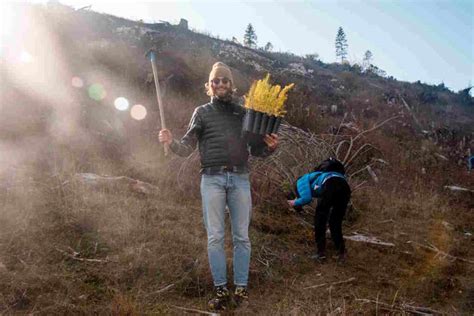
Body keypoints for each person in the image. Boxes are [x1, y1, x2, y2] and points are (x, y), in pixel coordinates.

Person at [159, 62, 279, 311]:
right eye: (216, 81)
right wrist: (171, 142)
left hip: (239, 178)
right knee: (215, 237)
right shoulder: (201, 112)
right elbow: (187, 146)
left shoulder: (244, 113)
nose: (221, 84)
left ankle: (242, 291)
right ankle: (221, 290)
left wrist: (269, 146)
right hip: (211, 179)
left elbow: (255, 150)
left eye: (225, 80)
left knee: (242, 237)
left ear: (231, 85)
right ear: (210, 86)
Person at [287, 158, 351, 263]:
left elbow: (306, 198)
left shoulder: (301, 180)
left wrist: (293, 203)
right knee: (335, 222)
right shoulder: (322, 175)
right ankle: (342, 253)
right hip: (345, 186)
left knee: (320, 220)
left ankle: (320, 253)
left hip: (329, 185)